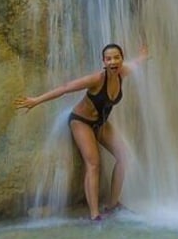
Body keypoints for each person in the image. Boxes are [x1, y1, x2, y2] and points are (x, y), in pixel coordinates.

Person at [14, 43, 149, 220]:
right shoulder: (96, 79)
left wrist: (143, 57)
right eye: (108, 59)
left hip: (101, 122)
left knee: (124, 156)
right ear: (103, 61)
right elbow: (65, 88)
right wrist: (36, 100)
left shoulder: (122, 72)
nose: (113, 62)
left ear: (122, 59)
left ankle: (113, 204)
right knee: (94, 164)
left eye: (117, 57)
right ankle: (95, 215)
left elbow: (136, 63)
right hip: (81, 121)